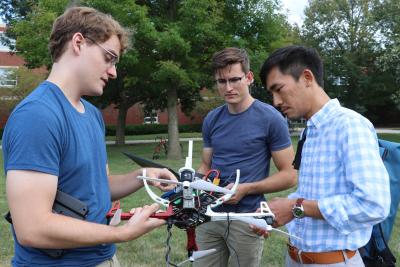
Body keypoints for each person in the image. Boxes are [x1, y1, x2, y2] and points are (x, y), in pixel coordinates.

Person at [2, 6, 176, 267]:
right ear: (79, 43)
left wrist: (143, 176)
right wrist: (122, 233)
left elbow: (98, 184)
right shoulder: (37, 115)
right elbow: (32, 228)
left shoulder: (92, 115)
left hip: (103, 258)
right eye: (109, 58)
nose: (113, 71)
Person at [259, 45, 391, 266]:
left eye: (279, 89)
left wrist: (295, 207)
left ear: (307, 77)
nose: (276, 101)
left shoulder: (350, 126)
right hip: (295, 258)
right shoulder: (308, 132)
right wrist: (279, 209)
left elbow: (373, 204)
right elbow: (314, 194)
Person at [194, 47, 297, 267]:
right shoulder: (212, 119)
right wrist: (188, 187)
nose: (228, 88)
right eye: (222, 81)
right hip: (210, 215)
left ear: (249, 78)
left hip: (247, 218)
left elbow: (290, 175)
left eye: (234, 79)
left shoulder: (271, 118)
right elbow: (205, 165)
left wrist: (246, 189)